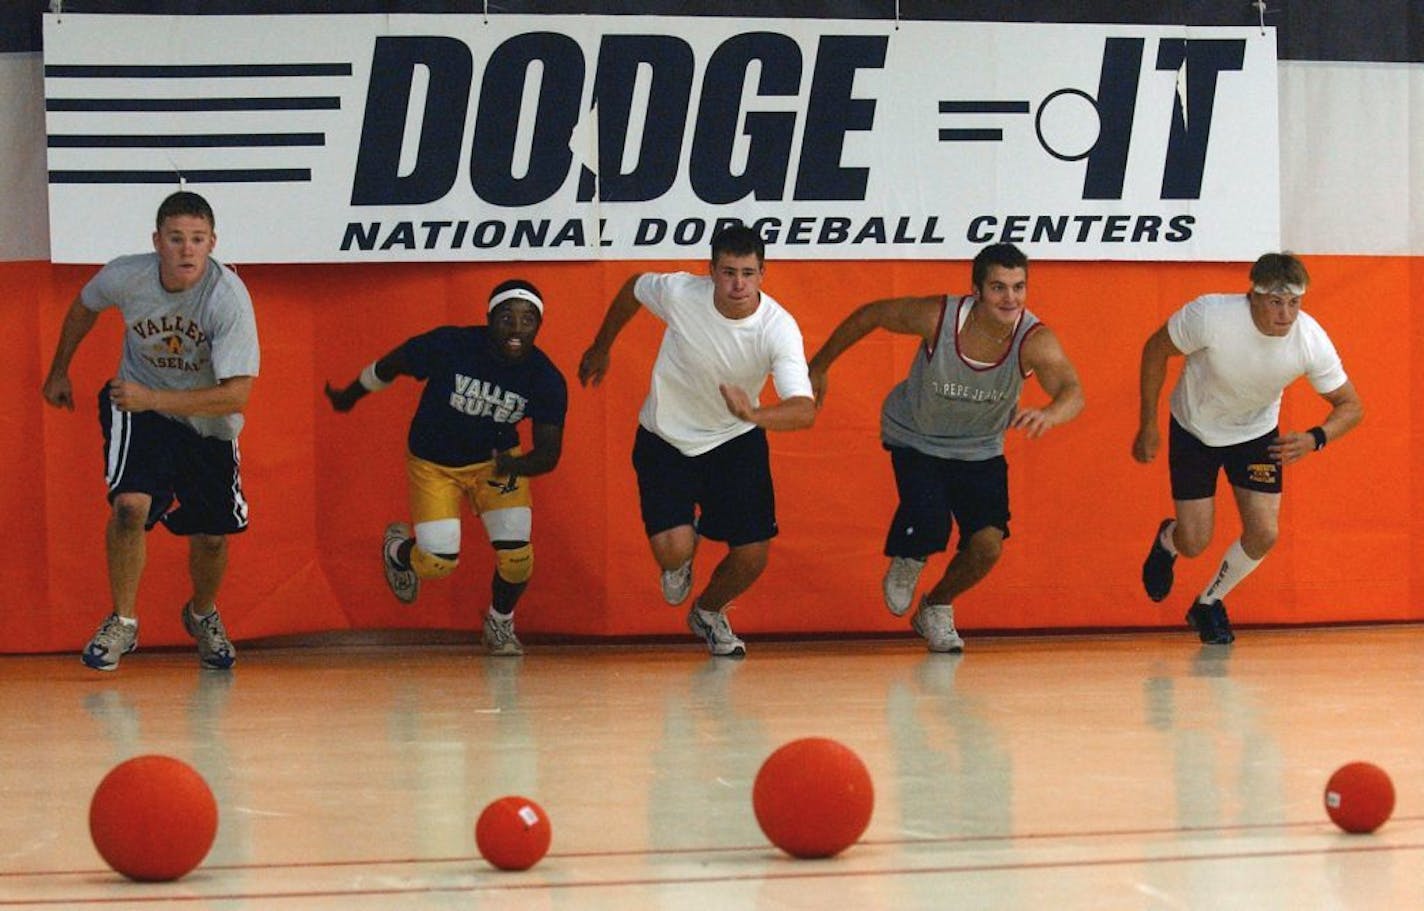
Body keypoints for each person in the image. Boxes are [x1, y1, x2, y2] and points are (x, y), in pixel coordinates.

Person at [807, 242, 1083, 652]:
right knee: (931, 522)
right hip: (915, 436)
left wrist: (1051, 413)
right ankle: (909, 558)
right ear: (976, 290)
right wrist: (819, 365)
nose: (1010, 298)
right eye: (998, 287)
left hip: (980, 448)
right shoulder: (939, 317)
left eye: (1018, 287)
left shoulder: (1033, 340)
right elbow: (873, 315)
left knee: (987, 547)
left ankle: (935, 606)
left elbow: (1072, 390)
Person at [41, 190, 260, 672]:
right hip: (139, 409)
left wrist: (154, 398)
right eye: (177, 238)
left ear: (212, 243)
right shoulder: (127, 275)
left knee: (211, 537)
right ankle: (123, 620)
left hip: (206, 420)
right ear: (157, 241)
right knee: (129, 507)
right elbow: (83, 306)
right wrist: (60, 370)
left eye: (197, 240)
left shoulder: (229, 300)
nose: (187, 249)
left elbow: (236, 396)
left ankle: (202, 614)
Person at [577, 225, 815, 658]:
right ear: (710, 271)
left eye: (747, 272)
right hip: (665, 436)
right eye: (727, 272)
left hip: (735, 439)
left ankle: (708, 612)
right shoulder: (681, 293)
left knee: (753, 554)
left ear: (763, 273)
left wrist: (754, 415)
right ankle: (683, 552)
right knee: (672, 553)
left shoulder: (778, 329)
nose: (737, 284)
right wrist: (601, 345)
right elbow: (633, 289)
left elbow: (804, 408)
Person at [324, 279, 567, 657]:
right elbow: (391, 364)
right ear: (488, 318)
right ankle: (397, 550)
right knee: (436, 563)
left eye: (527, 320)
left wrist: (513, 464)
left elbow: (549, 453)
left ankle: (499, 623)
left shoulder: (546, 378)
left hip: (498, 465)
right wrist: (350, 394)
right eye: (507, 318)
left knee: (518, 558)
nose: (517, 329)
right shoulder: (451, 345)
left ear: (539, 325)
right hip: (434, 463)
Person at [1133, 252, 1363, 644]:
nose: (1286, 314)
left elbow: (1351, 406)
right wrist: (1148, 424)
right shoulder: (1210, 315)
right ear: (1252, 295)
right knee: (1194, 543)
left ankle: (1208, 602)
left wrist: (1315, 438)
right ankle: (1169, 541)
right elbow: (1155, 349)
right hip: (1194, 429)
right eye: (1276, 302)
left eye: (1294, 303)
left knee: (1264, 533)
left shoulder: (1310, 339)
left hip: (1256, 434)